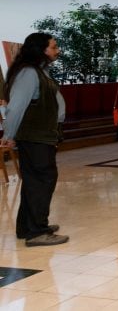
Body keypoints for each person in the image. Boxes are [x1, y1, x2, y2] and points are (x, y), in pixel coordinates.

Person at [1, 32, 68, 247]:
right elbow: (16, 107)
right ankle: (38, 231)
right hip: (36, 137)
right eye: (54, 47)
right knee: (42, 181)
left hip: (43, 135)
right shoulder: (29, 74)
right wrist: (8, 135)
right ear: (41, 50)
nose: (57, 51)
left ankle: (27, 227)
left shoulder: (39, 71)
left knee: (34, 181)